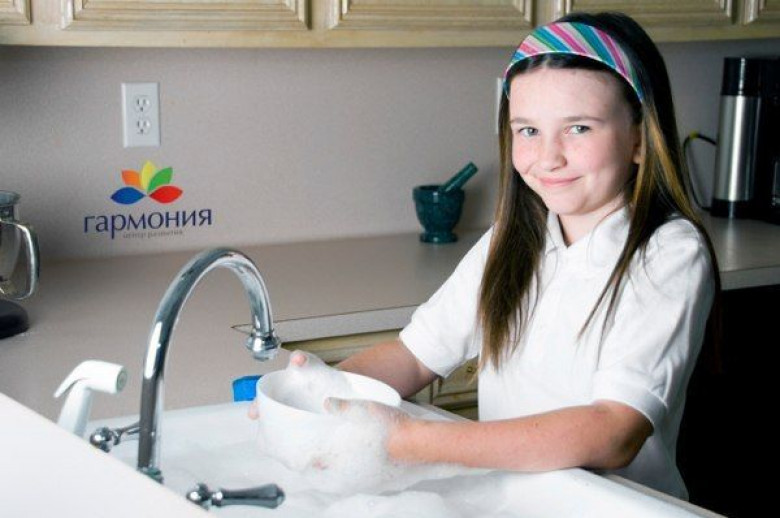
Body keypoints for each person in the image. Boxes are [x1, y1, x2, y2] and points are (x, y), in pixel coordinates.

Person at [257, 11, 721, 501]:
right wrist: (305, 400)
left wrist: (414, 441)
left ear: (639, 139)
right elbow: (414, 357)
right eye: (528, 131)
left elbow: (613, 431)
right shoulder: (514, 239)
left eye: (579, 128)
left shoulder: (669, 254)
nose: (548, 157)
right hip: (515, 502)